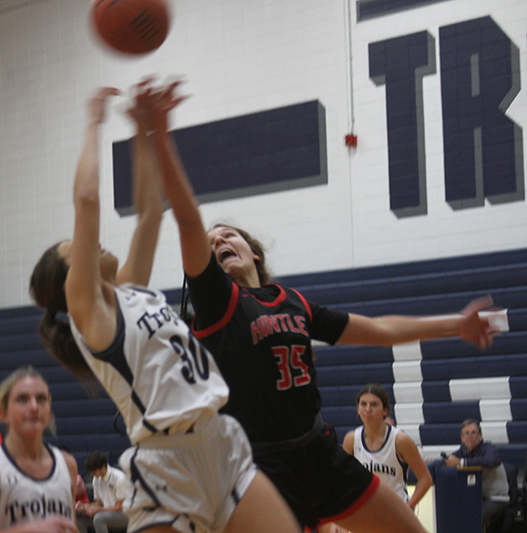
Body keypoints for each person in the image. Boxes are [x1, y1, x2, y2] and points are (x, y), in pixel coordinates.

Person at [146, 78, 497, 533]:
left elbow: (381, 330)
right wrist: (162, 139)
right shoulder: (217, 303)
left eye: (228, 235)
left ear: (254, 253)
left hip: (318, 450)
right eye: (212, 244)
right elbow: (190, 222)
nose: (218, 242)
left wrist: (457, 324)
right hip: (258, 464)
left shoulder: (292, 302)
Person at [29, 84, 299, 533]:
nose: (91, 241)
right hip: (167, 463)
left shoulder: (132, 293)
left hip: (221, 441)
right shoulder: (90, 317)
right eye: (75, 248)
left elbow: (151, 212)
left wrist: (143, 134)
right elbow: (88, 201)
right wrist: (94, 123)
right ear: (70, 282)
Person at [0, 367, 78, 533]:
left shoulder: (67, 464)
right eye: (23, 399)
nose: (34, 406)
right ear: (3, 413)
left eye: (41, 399)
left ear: (49, 410)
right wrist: (30, 530)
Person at [342, 384, 432, 510]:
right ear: (357, 408)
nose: (368, 409)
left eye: (374, 405)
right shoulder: (351, 439)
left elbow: (425, 479)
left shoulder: (400, 440)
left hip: (395, 511)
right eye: (363, 404)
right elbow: (342, 479)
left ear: (385, 410)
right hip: (364, 512)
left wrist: (408, 507)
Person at [444, 419, 510, 528]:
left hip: (496, 498)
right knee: (453, 513)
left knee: (473, 518)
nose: (470, 436)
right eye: (467, 433)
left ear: (480, 436)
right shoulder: (463, 451)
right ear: (462, 437)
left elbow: (491, 461)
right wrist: (436, 461)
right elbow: (451, 460)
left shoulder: (488, 448)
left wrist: (461, 462)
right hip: (475, 498)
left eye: (474, 433)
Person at [77, 452, 129, 533]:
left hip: (123, 515)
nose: (92, 474)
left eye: (94, 471)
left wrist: (99, 510)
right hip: (106, 513)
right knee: (79, 517)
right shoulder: (96, 479)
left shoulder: (119, 478)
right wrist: (84, 507)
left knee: (99, 518)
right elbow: (99, 503)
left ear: (103, 467)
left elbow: (120, 507)